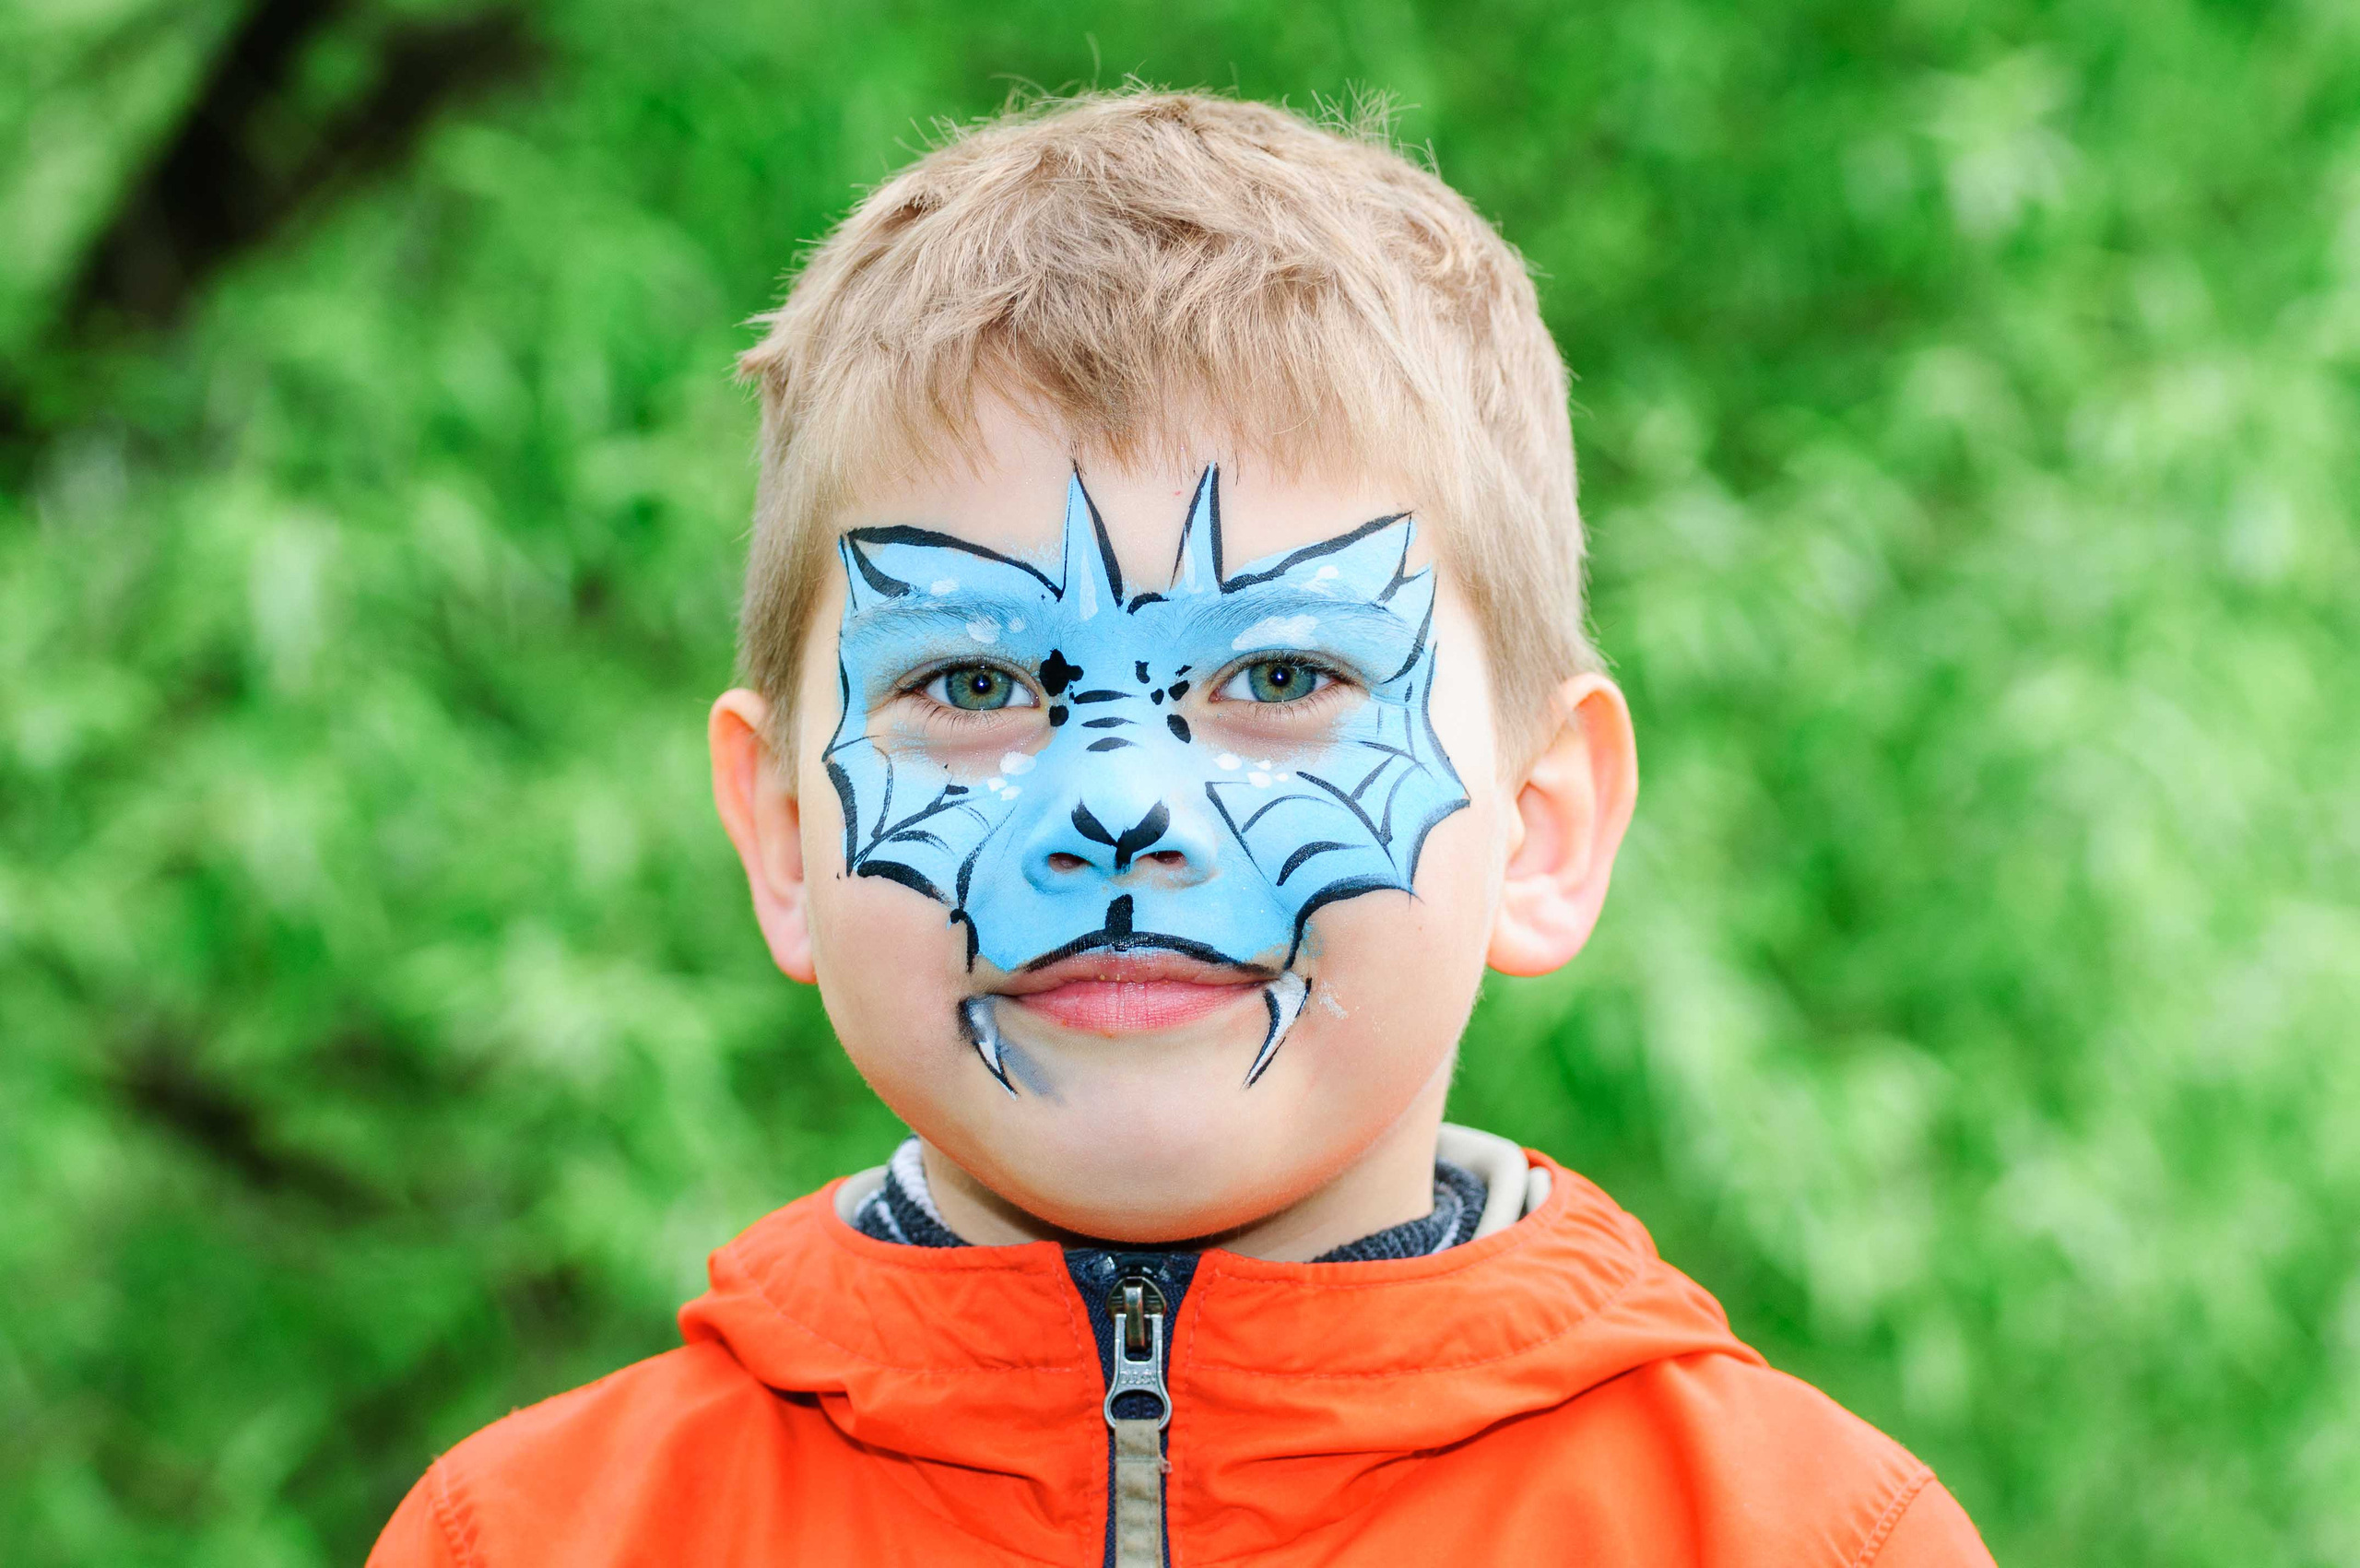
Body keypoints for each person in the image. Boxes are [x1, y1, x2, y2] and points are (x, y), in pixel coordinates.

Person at [366, 89, 1993, 1567]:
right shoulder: (527, 1540)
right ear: (786, 835)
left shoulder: (1812, 1542)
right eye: (977, 678)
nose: (1124, 810)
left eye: (1282, 674)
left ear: (1542, 822)